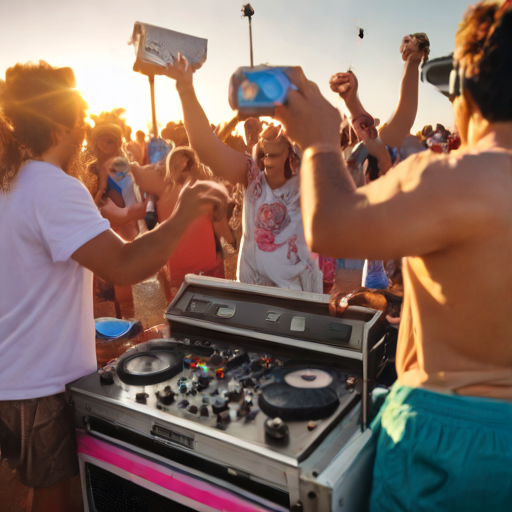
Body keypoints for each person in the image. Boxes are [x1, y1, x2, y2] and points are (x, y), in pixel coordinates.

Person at [274, 1, 512, 509]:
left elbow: (328, 225)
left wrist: (317, 138)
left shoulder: (451, 178)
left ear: (463, 93)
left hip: (442, 447)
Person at [0, 61, 228, 512]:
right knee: (57, 497)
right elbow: (126, 265)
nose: (85, 132)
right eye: (80, 120)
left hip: (13, 374)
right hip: (38, 384)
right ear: (58, 123)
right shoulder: (52, 186)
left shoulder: (11, 182)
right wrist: (183, 213)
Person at [165, 54, 323, 292]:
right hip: (254, 298)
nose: (275, 125)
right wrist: (186, 88)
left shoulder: (310, 177)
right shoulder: (252, 175)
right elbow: (206, 147)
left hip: (300, 300)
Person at [131, 146, 235, 297]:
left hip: (183, 271)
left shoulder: (166, 194)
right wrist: (233, 242)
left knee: (187, 310)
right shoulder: (203, 192)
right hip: (204, 268)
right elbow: (222, 229)